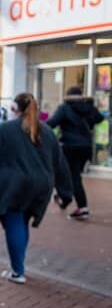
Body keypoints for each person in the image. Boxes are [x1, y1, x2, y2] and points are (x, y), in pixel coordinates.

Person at [0, 93, 73, 284]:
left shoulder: (3, 129)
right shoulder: (47, 132)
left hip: (11, 186)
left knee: (14, 223)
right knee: (22, 222)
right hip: (40, 186)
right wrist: (66, 193)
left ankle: (17, 271)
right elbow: (60, 164)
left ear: (15, 108)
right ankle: (18, 266)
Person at [45, 86, 106, 220]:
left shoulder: (65, 108)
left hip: (70, 146)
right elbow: (100, 118)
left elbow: (52, 123)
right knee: (73, 175)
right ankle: (64, 196)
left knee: (72, 176)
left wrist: (36, 127)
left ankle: (81, 207)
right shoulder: (88, 107)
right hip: (86, 147)